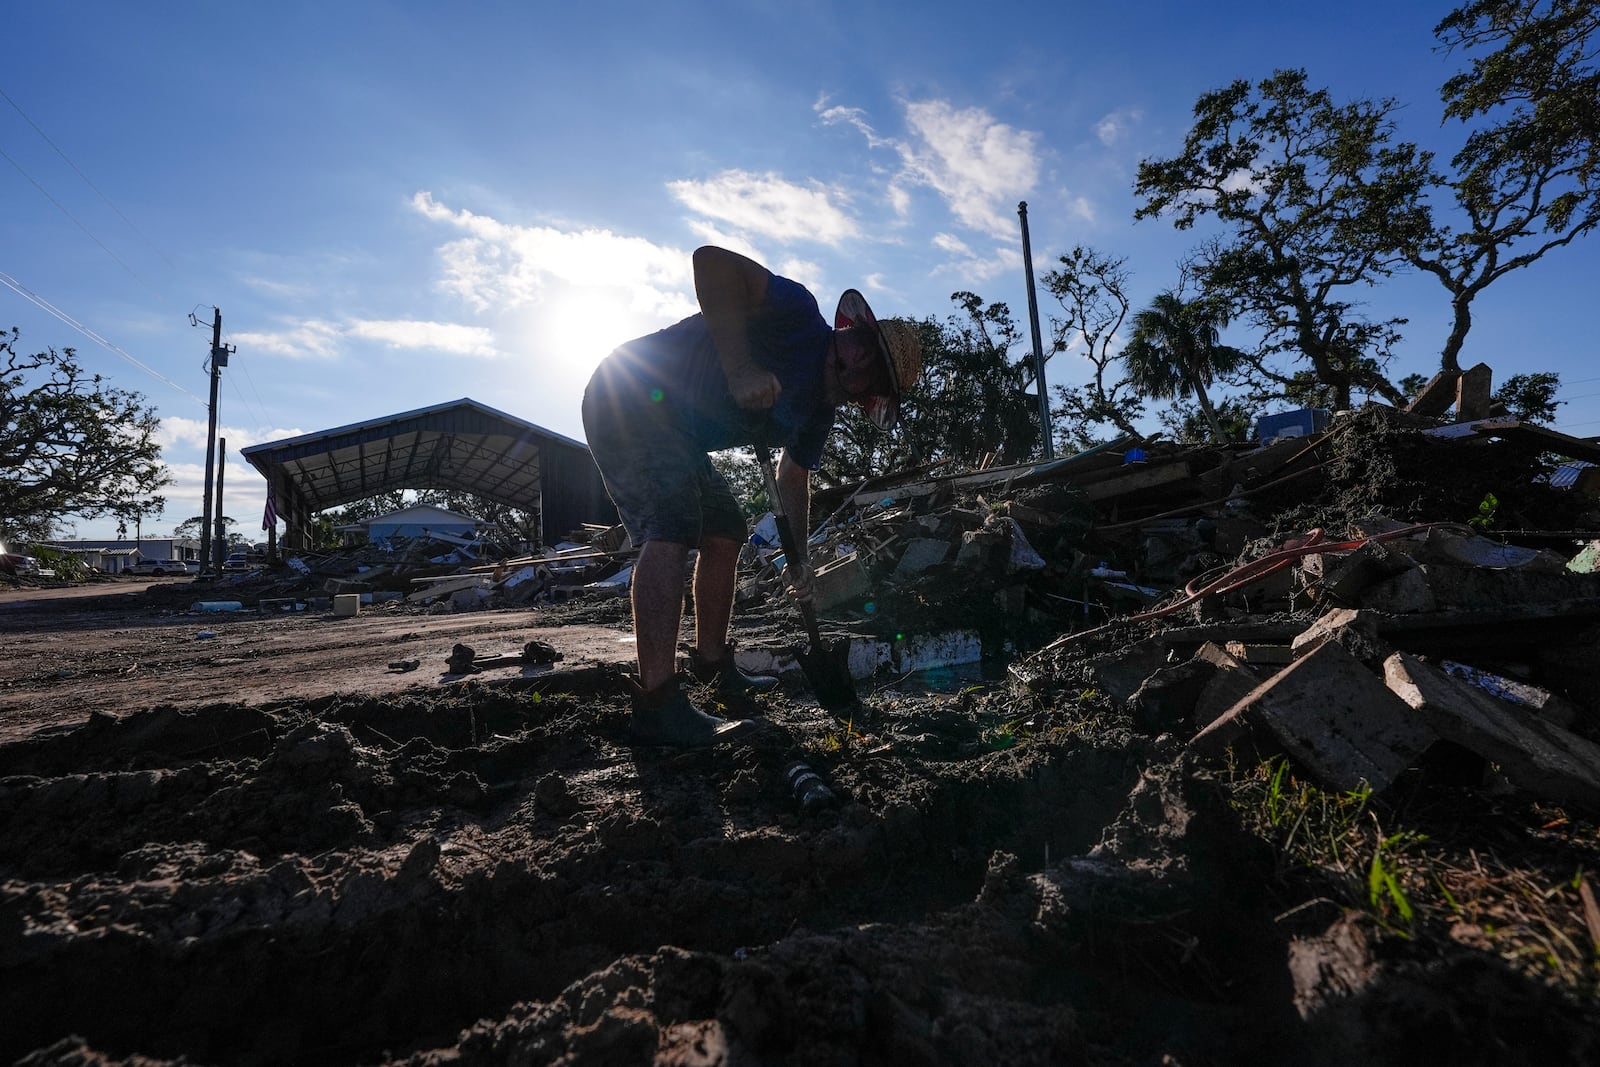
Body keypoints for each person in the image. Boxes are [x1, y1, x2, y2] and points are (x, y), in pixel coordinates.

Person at [581, 245, 922, 747]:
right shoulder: (795, 313)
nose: (862, 374)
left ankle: (714, 665)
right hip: (629, 395)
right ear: (852, 338)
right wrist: (740, 368)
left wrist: (798, 560)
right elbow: (710, 262)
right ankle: (657, 704)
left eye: (876, 380)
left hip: (680, 436)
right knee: (673, 524)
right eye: (864, 354)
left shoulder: (818, 411)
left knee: (725, 530)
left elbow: (793, 478)